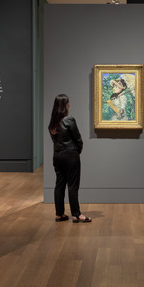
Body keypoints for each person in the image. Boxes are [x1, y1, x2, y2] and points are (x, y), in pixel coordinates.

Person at [49, 94, 91, 223]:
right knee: (73, 185)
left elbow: (54, 140)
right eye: (68, 102)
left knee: (59, 185)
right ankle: (76, 214)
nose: (69, 104)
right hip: (70, 155)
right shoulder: (69, 120)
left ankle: (59, 214)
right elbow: (78, 138)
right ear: (64, 105)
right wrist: (77, 151)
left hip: (57, 155)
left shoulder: (53, 122)